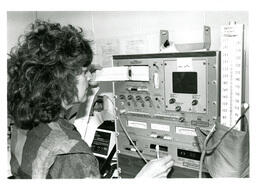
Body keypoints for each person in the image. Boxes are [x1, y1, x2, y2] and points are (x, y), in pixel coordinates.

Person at [8, 19, 174, 179]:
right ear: (63, 78)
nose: (89, 77)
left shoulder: (23, 125)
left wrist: (84, 84)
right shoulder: (73, 154)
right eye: (84, 71)